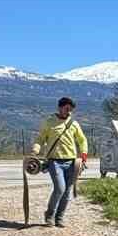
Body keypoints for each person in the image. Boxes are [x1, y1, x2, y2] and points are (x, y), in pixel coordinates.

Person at [31, 97, 88, 227]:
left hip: (72, 162)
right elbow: (40, 139)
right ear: (60, 107)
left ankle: (59, 217)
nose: (68, 112)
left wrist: (84, 155)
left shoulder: (73, 123)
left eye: (71, 110)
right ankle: (49, 215)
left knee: (67, 192)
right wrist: (35, 150)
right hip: (54, 161)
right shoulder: (49, 122)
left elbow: (82, 140)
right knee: (60, 188)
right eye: (66, 109)